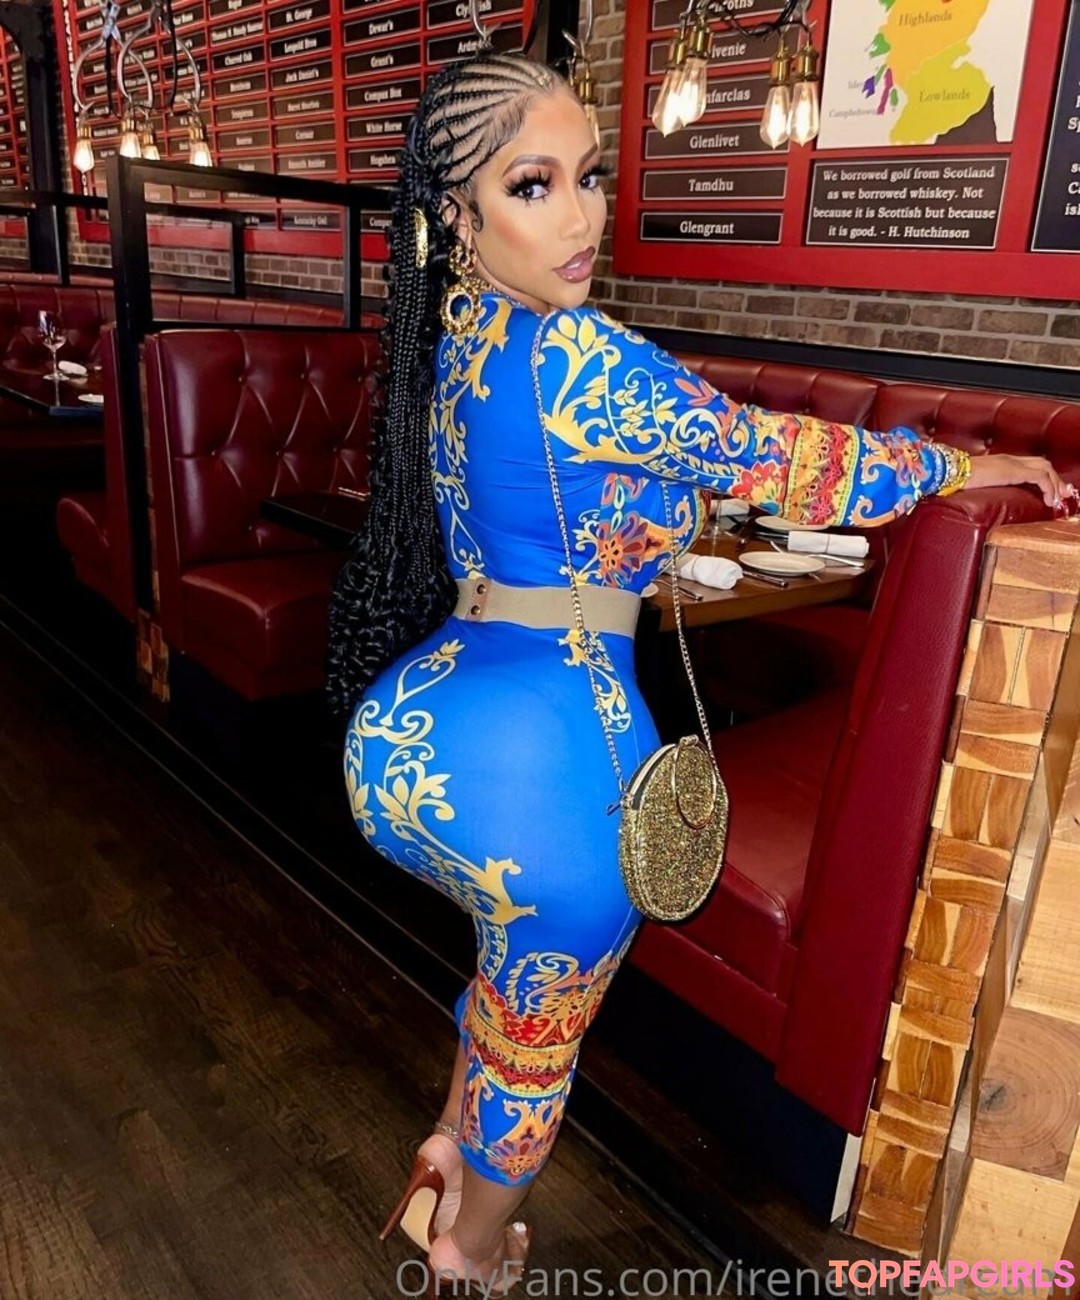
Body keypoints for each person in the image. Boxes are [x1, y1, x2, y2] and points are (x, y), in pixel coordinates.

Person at [326, 49, 1071, 1297]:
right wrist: (961, 465)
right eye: (530, 185)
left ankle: (442, 1163)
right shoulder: (580, 357)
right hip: (552, 762)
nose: (579, 217)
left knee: (505, 985)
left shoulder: (461, 330)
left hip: (418, 728)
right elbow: (784, 459)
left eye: (589, 177)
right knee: (537, 1049)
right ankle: (468, 1255)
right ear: (456, 216)